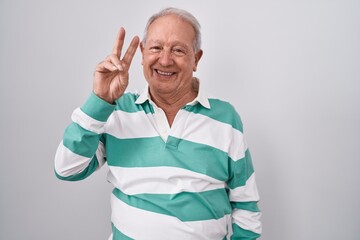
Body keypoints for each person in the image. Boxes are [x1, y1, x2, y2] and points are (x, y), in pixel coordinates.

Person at [54, 7, 262, 240]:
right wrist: (99, 100)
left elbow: (246, 207)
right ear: (142, 53)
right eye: (156, 48)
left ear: (197, 59)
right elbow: (67, 168)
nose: (165, 60)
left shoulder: (225, 119)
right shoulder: (117, 110)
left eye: (178, 50)